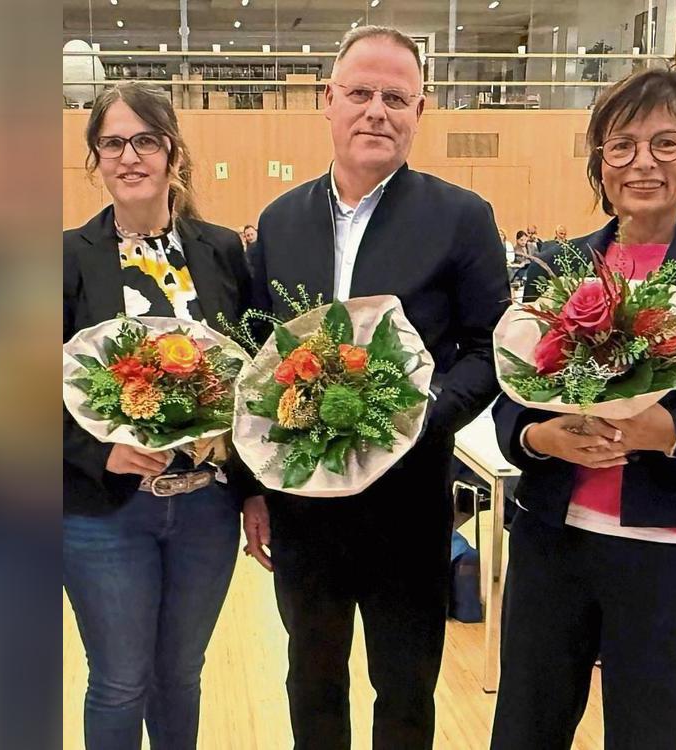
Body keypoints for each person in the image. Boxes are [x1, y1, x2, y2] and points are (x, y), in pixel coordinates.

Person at [245, 25, 508, 749]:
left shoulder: (462, 217)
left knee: (405, 686)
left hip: (409, 500)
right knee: (311, 677)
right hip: (303, 505)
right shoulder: (279, 221)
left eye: (396, 97)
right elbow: (254, 359)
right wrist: (252, 488)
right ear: (327, 100)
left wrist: (421, 416)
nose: (376, 111)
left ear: (420, 111)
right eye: (360, 93)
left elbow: (490, 348)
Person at [490, 68, 676, 750]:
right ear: (600, 162)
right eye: (622, 145)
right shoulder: (559, 267)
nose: (643, 162)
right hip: (554, 539)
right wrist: (542, 438)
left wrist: (674, 432)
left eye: (666, 143)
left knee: (655, 736)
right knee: (525, 729)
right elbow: (511, 397)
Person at [63, 81, 264, 750]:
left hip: (206, 508)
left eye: (145, 140)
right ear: (96, 158)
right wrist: (101, 452)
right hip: (105, 512)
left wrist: (255, 491)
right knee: (120, 681)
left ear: (173, 152)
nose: (130, 156)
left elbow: (251, 381)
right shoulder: (65, 257)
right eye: (113, 143)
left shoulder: (222, 250)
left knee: (180, 676)